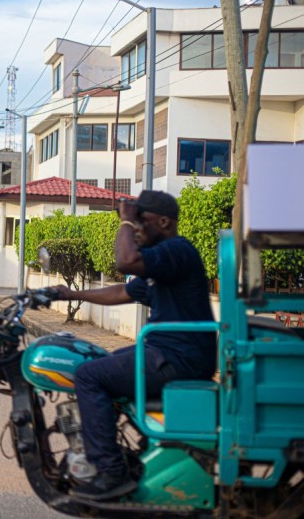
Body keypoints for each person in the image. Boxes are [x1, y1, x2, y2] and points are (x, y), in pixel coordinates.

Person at [46, 190, 216, 501]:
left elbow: (125, 261)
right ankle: (121, 454)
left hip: (177, 357)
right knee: (96, 363)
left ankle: (110, 472)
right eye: (134, 223)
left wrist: (125, 220)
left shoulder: (176, 250)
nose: (135, 229)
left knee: (89, 376)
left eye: (141, 222)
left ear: (163, 222)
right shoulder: (163, 260)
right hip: (168, 352)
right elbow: (123, 293)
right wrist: (70, 295)